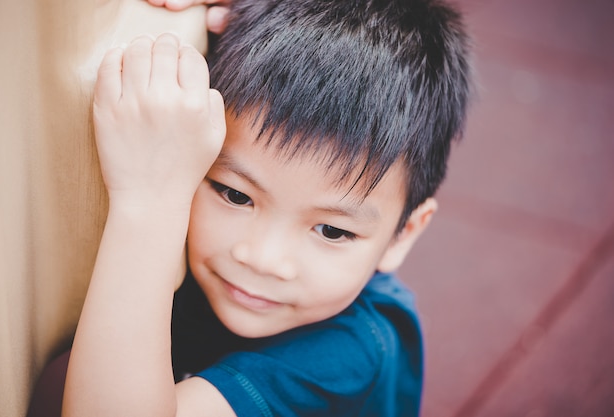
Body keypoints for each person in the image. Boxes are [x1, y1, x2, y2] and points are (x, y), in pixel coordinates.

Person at [63, 0, 472, 416]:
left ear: (404, 235)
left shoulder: (349, 352)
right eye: (235, 195)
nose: (262, 259)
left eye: (331, 231)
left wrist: (147, 200)